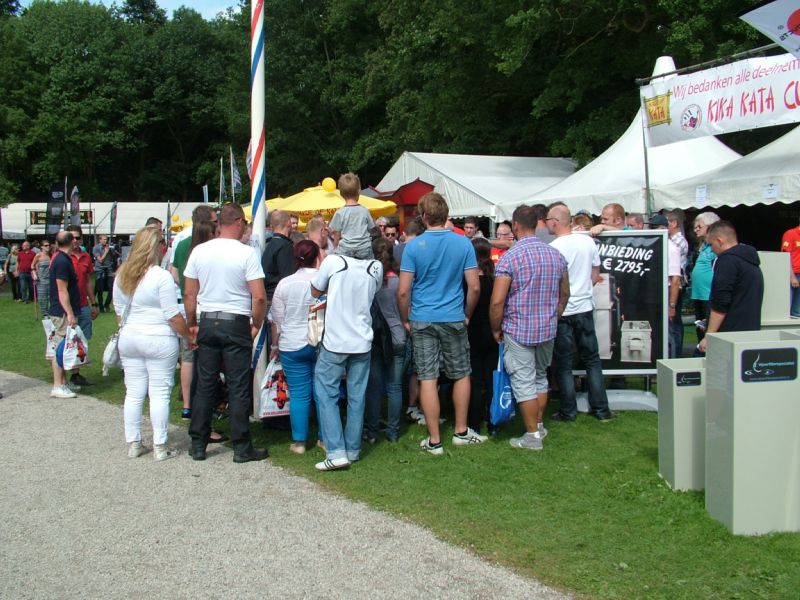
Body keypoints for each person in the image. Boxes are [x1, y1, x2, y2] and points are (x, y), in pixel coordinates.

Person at [397, 192, 485, 455]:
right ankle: (461, 431)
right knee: (461, 373)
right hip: (453, 316)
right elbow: (474, 287)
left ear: (424, 216)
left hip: (422, 317)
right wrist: (466, 313)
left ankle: (434, 440)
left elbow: (403, 291)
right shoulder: (463, 244)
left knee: (427, 377)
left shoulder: (413, 247)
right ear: (446, 214)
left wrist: (405, 318)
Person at [184, 203, 268, 463]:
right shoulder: (246, 253)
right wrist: (256, 324)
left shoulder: (199, 251)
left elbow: (189, 293)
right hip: (236, 321)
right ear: (239, 222)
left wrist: (192, 323)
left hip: (208, 319)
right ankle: (241, 446)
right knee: (238, 385)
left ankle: (198, 443)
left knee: (205, 384)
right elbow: (259, 297)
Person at [489, 205, 569, 451]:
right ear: (536, 224)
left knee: (524, 381)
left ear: (515, 225)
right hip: (546, 327)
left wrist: (495, 327)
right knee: (540, 377)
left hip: (519, 327)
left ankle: (532, 435)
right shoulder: (555, 255)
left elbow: (497, 301)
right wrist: (554, 315)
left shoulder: (510, 257)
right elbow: (565, 293)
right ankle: (538, 425)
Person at [113, 227, 190, 461]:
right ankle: (160, 445)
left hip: (130, 336)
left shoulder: (122, 274)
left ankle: (134, 442)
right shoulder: (160, 276)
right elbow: (172, 315)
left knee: (134, 393)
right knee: (159, 393)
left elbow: (119, 312)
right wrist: (188, 335)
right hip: (159, 337)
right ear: (156, 247)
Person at [311, 245, 383, 470]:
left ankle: (336, 451)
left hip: (336, 340)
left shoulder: (334, 262)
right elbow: (374, 291)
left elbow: (314, 290)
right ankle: (352, 449)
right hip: (361, 341)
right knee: (357, 396)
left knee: (326, 393)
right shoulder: (375, 266)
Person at [546, 203, 613, 423]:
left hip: (564, 310)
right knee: (592, 360)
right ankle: (601, 410)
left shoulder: (553, 247)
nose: (547, 224)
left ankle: (568, 411)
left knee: (563, 363)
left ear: (555, 222)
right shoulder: (587, 242)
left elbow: (553, 283)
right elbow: (595, 274)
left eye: (548, 220)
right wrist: (584, 290)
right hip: (585, 307)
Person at [270, 241, 322, 454]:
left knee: (299, 394)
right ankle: (325, 438)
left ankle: (300, 441)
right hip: (319, 340)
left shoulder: (284, 284)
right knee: (323, 393)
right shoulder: (324, 281)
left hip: (291, 343)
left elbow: (277, 319)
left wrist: (275, 344)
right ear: (317, 257)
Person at [698, 221, 764, 354]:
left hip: (729, 337)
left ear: (719, 241)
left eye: (711, 244)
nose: (711, 249)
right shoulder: (750, 262)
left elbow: (721, 302)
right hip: (749, 332)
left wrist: (709, 335)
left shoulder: (727, 261)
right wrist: (709, 319)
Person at [365, 237, 407, 444]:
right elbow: (405, 308)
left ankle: (372, 432)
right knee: (395, 387)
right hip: (397, 335)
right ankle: (393, 431)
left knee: (373, 388)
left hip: (374, 337)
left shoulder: (368, 282)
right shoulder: (399, 281)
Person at [466, 237, 498, 434]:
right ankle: (493, 420)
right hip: (492, 332)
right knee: (491, 379)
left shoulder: (468, 282)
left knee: (475, 380)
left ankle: (474, 421)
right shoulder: (495, 280)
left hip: (473, 332)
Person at [47, 232, 82, 398]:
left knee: (64, 347)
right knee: (60, 348)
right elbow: (62, 290)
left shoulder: (61, 258)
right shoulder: (61, 261)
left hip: (63, 310)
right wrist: (69, 313)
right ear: (72, 242)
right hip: (61, 312)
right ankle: (57, 385)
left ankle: (63, 382)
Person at [64, 225, 97, 387]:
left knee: (82, 340)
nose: (75, 241)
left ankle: (75, 374)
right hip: (67, 306)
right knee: (66, 340)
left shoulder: (85, 257)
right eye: (72, 237)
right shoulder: (62, 257)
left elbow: (88, 281)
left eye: (77, 237)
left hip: (83, 304)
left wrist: (94, 303)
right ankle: (61, 377)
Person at [650, 214, 684, 358]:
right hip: (657, 292)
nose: (651, 230)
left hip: (667, 292)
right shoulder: (657, 245)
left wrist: (672, 305)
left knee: (669, 333)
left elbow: (675, 280)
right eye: (651, 227)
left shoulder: (671, 248)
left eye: (654, 227)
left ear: (664, 229)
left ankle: (672, 363)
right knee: (659, 332)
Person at [690, 212, 721, 339]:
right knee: (700, 327)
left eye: (699, 226)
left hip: (708, 294)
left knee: (708, 329)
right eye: (695, 227)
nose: (696, 229)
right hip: (698, 294)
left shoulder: (716, 245)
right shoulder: (703, 245)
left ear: (711, 226)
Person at [329, 172, 374, 259]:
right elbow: (371, 228)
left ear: (341, 193)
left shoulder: (339, 213)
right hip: (364, 248)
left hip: (346, 248)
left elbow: (337, 234)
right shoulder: (364, 211)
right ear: (359, 190)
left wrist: (335, 247)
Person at [261, 210, 295, 302]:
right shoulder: (285, 246)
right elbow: (287, 277)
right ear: (288, 223)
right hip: (277, 298)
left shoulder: (268, 244)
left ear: (271, 226)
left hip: (268, 295)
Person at [780, 217, 800, 318]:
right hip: (794, 273)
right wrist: (792, 277)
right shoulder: (790, 234)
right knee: (791, 306)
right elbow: (785, 256)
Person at [92, 234, 118, 312]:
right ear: (100, 240)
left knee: (111, 288)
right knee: (100, 289)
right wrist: (106, 252)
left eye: (106, 239)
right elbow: (100, 260)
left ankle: (106, 304)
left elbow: (113, 257)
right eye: (104, 239)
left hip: (109, 269)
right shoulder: (96, 248)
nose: (105, 241)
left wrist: (112, 251)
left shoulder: (109, 248)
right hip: (100, 270)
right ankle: (101, 307)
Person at [31, 239, 52, 316]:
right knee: (43, 299)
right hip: (41, 280)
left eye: (49, 245)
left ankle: (52, 314)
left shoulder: (51, 255)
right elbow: (32, 266)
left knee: (52, 298)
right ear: (42, 247)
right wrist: (34, 273)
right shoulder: (38, 255)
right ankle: (45, 315)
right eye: (46, 245)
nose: (48, 246)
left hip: (51, 279)